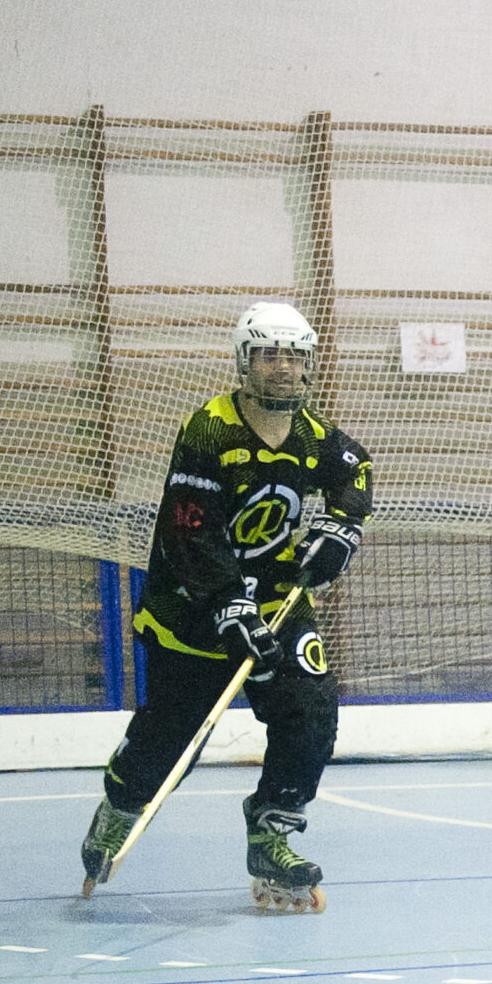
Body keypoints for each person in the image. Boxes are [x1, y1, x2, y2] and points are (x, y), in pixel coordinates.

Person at [78, 301, 371, 913]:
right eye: (269, 355)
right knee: (170, 742)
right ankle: (122, 803)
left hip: (276, 603)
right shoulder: (208, 430)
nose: (283, 368)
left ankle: (272, 832)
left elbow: (356, 471)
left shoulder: (315, 439)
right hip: (192, 606)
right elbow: (190, 530)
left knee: (311, 710)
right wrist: (228, 604)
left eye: (294, 356)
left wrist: (342, 527)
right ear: (246, 362)